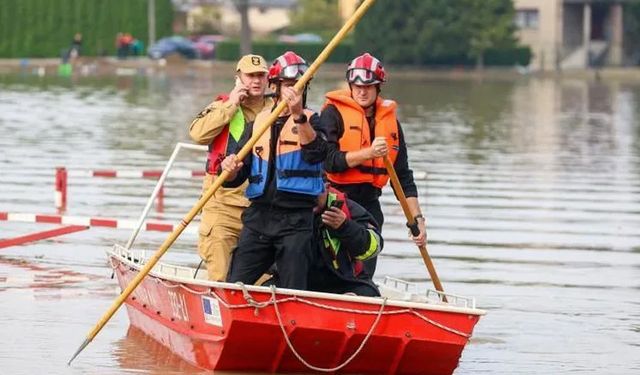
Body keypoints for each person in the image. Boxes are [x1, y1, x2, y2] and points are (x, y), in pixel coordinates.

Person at [221, 51, 327, 290]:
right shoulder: (257, 123)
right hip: (259, 217)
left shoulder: (314, 120)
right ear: (276, 86)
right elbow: (236, 176)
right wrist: (229, 170)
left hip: (296, 220)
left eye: (299, 86)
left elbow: (317, 154)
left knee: (293, 289)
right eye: (289, 85)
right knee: (235, 285)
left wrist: (299, 115)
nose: (294, 91)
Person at [321, 53, 427, 278]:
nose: (361, 91)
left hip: (369, 205)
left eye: (368, 86)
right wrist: (368, 153)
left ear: (378, 87)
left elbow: (403, 177)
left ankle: (362, 295)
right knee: (332, 268)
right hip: (336, 201)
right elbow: (329, 161)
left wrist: (416, 219)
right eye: (357, 85)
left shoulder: (391, 124)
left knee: (363, 270)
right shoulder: (332, 114)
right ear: (350, 85)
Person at [188, 54, 272, 281]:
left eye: (261, 75)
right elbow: (197, 134)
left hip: (260, 210)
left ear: (268, 78)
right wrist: (231, 105)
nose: (256, 81)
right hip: (222, 207)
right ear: (239, 78)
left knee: (263, 281)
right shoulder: (222, 106)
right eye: (250, 75)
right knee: (220, 276)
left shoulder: (278, 109)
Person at [308, 184, 382, 297]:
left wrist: (345, 227)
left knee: (368, 293)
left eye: (316, 191)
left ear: (327, 187)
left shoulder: (348, 208)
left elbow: (375, 245)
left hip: (343, 280)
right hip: (299, 279)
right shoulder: (284, 207)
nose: (311, 197)